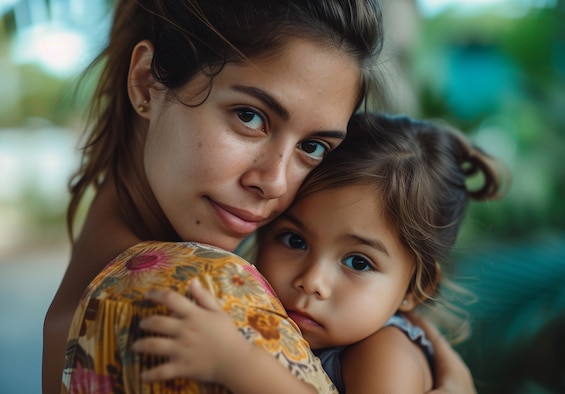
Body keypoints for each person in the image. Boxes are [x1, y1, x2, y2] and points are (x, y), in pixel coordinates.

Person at [44, 0, 384, 392]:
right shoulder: (203, 296)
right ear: (145, 82)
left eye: (313, 147)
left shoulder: (86, 290)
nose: (274, 182)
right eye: (249, 116)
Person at [131, 112, 506, 393]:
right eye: (294, 240)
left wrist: (237, 363)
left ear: (415, 290)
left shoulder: (386, 349)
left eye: (358, 262)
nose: (312, 281)